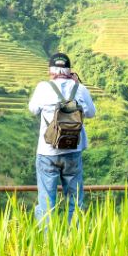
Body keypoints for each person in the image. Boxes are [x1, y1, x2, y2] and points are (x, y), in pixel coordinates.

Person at [28, 53, 96, 225]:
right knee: (75, 201)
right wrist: (77, 84)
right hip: (73, 150)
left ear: (50, 70)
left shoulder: (43, 87)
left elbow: (33, 109)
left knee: (46, 201)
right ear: (69, 71)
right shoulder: (79, 89)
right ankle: (74, 241)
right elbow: (91, 113)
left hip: (47, 151)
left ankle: (46, 243)